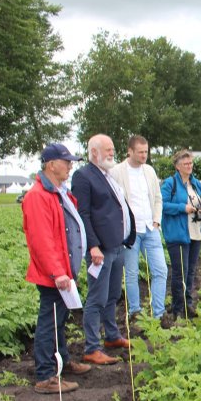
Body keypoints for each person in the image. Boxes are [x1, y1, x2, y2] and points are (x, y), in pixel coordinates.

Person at [22, 143, 91, 394]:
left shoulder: (59, 192)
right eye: (67, 161)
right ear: (51, 165)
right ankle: (45, 375)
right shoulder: (38, 196)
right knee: (49, 322)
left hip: (64, 270)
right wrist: (57, 272)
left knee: (59, 319)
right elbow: (42, 241)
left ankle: (63, 360)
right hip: (53, 274)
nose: (71, 165)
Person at [71, 134, 136, 365]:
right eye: (107, 149)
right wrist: (93, 246)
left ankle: (112, 336)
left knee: (112, 296)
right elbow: (83, 214)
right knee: (97, 298)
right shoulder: (83, 176)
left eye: (112, 149)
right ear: (94, 152)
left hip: (117, 246)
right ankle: (91, 347)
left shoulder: (108, 175)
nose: (112, 153)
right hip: (101, 249)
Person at [109, 135, 168, 320]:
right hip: (130, 233)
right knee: (132, 273)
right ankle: (135, 312)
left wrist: (156, 220)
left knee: (160, 270)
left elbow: (158, 198)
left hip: (150, 229)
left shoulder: (149, 171)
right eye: (140, 152)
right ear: (130, 151)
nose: (144, 155)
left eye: (146, 151)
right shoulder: (116, 172)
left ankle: (159, 313)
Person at [161, 149, 201, 320]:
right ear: (177, 166)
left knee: (190, 271)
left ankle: (188, 304)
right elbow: (162, 205)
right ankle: (177, 309)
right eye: (185, 164)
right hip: (178, 234)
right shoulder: (170, 184)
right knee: (179, 272)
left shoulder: (196, 184)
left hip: (195, 232)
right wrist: (183, 208)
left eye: (190, 163)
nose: (189, 166)